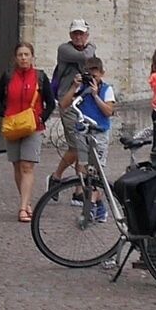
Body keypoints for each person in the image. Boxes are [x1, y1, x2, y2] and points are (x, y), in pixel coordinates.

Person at [0, 42, 53, 223]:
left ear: (32, 57)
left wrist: (41, 118)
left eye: (27, 54)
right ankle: (25, 203)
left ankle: (22, 208)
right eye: (20, 55)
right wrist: (5, 114)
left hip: (33, 127)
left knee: (27, 166)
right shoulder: (8, 76)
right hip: (13, 126)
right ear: (15, 58)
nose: (23, 58)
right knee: (17, 165)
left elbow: (50, 102)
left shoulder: (40, 77)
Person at [51, 20, 103, 187]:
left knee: (83, 148)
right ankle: (56, 177)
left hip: (84, 102)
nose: (78, 37)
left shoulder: (87, 47)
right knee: (76, 147)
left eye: (81, 33)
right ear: (70, 35)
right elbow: (86, 56)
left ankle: (79, 190)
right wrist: (91, 46)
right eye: (75, 34)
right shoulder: (64, 49)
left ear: (86, 34)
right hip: (68, 101)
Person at [68, 54, 116, 181]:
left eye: (94, 76)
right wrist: (74, 86)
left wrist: (95, 95)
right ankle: (89, 197)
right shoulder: (81, 88)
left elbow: (108, 112)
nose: (92, 80)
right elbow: (64, 104)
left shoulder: (107, 89)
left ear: (101, 74)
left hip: (99, 132)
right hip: (83, 132)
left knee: (97, 169)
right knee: (83, 167)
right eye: (89, 76)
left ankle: (95, 198)